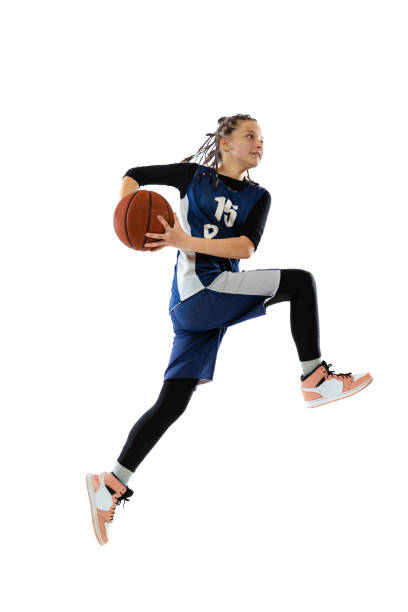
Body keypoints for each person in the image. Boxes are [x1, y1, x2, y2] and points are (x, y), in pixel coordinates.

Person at [86, 113, 373, 545]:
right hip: (199, 293)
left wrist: (186, 241)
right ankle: (314, 378)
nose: (260, 143)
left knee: (174, 401)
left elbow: (245, 247)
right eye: (250, 135)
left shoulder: (259, 196)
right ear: (224, 141)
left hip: (206, 303)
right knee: (300, 282)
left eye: (263, 138)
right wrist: (127, 216)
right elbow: (134, 176)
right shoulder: (193, 177)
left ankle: (109, 483)